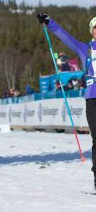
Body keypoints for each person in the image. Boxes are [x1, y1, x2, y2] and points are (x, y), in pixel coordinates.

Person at [37, 14, 96, 189]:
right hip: (93, 98)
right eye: (95, 28)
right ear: (91, 31)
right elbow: (65, 36)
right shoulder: (86, 49)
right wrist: (49, 23)